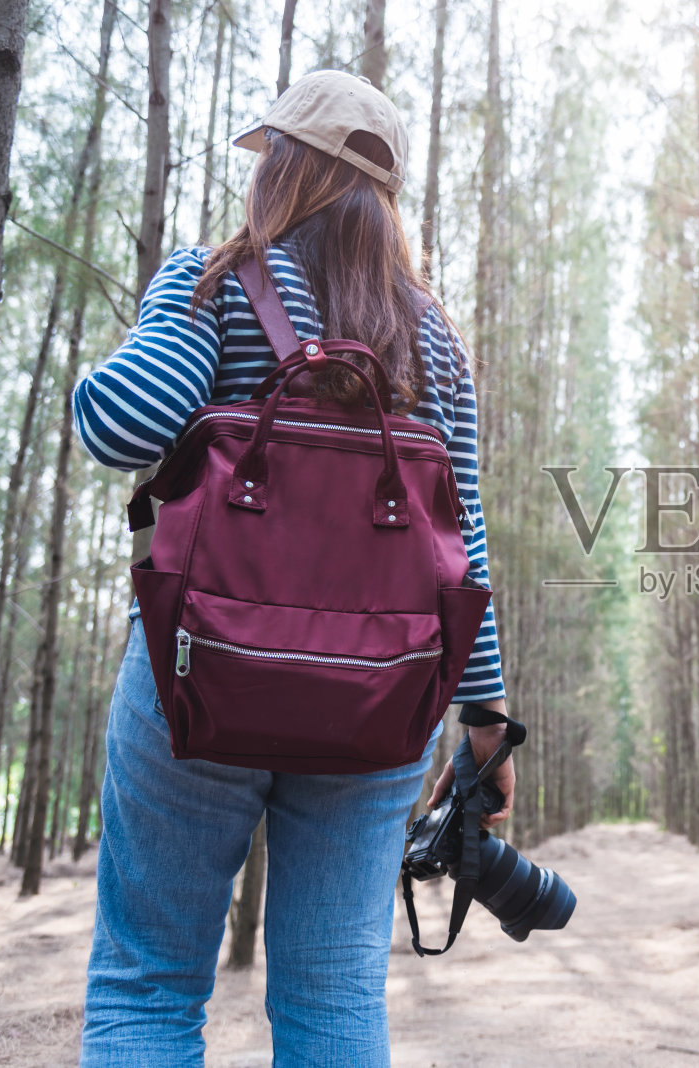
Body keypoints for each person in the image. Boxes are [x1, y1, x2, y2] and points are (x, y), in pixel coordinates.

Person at [73, 70, 514, 1067]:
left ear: (283, 166)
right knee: (335, 996)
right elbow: (466, 544)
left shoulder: (215, 280)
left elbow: (121, 424)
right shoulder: (433, 339)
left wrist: (101, 371)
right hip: (381, 697)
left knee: (148, 984)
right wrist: (485, 723)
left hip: (199, 677)